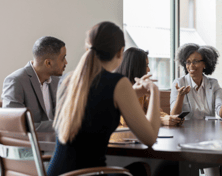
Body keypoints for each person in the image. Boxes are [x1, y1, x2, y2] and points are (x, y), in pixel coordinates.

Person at [47, 21, 160, 176]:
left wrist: (132, 94)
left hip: (56, 172)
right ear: (121, 52)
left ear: (88, 48)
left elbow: (97, 103)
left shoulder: (68, 80)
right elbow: (150, 137)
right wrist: (154, 92)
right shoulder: (118, 83)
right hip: (89, 174)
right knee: (142, 169)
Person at [1, 36, 67, 132]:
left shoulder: (57, 80)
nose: (66, 62)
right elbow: (14, 124)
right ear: (48, 63)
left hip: (53, 142)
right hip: (29, 145)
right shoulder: (16, 81)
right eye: (63, 58)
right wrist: (59, 125)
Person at [170, 43, 222, 119]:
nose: (191, 66)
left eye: (195, 61)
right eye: (188, 62)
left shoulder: (213, 84)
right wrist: (180, 96)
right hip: (186, 129)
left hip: (209, 129)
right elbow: (173, 116)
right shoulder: (179, 83)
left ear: (205, 64)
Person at [115, 47, 183, 126]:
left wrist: (171, 118)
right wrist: (160, 120)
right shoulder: (118, 88)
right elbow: (127, 122)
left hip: (136, 135)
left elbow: (156, 112)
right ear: (136, 67)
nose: (149, 70)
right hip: (120, 136)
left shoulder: (141, 87)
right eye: (146, 65)